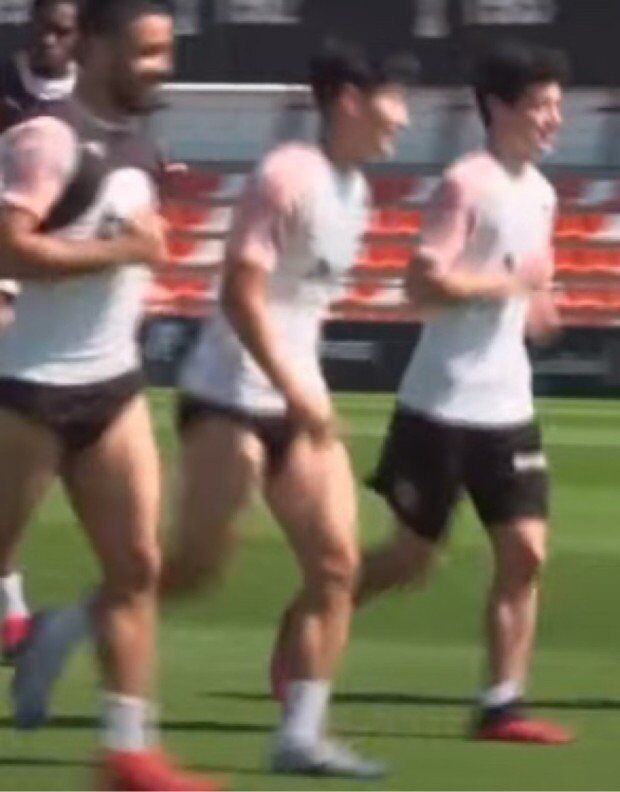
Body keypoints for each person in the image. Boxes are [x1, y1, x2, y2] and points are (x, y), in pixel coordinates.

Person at [271, 40, 574, 745]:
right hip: (441, 406)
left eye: (557, 106)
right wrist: (508, 286)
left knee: (526, 553)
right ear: (498, 108)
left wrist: (538, 302)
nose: (554, 119)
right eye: (540, 106)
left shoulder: (543, 193)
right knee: (409, 562)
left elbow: (531, 274)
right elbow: (420, 281)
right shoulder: (464, 184)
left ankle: (501, 704)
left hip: (509, 407)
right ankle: (304, 623)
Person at [159, 39, 416, 777]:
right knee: (194, 569)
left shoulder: (357, 193)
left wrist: (307, 394)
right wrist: (296, 387)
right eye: (395, 98)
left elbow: (303, 309)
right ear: (350, 101)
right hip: (228, 395)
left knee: (336, 566)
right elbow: (241, 295)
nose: (404, 117)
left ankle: (300, 737)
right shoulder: (284, 174)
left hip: (296, 405)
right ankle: (68, 628)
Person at [0, 0, 219, 788]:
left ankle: (127, 750)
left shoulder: (143, 144)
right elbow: (9, 250)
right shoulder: (46, 138)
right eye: (145, 51)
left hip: (112, 392)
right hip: (27, 395)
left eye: (165, 51)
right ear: (93, 48)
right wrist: (123, 250)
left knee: (136, 566)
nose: (162, 66)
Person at [0, 0, 80, 662]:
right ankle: (11, 605)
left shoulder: (95, 101)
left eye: (63, 29)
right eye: (43, 26)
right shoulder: (3, 86)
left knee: (34, 453)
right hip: (6, 270)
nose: (50, 39)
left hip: (63, 286)